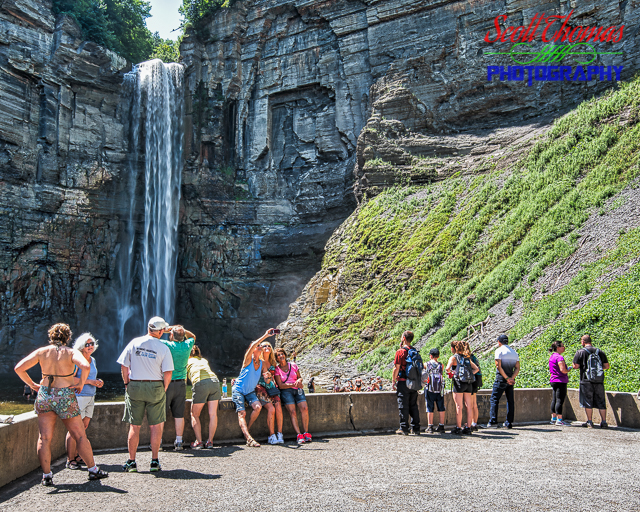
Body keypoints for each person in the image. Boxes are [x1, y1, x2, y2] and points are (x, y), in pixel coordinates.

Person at [14, 323, 108, 485]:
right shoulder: (71, 352)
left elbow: (19, 368)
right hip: (64, 395)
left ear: (51, 336)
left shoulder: (41, 352)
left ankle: (47, 476)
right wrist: (81, 384)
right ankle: (93, 470)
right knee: (79, 435)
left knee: (44, 438)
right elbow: (85, 366)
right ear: (67, 337)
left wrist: (32, 385)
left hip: (45, 394)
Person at [118, 316, 174, 472]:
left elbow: (124, 366)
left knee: (134, 426)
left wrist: (127, 383)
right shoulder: (164, 347)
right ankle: (154, 461)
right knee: (156, 426)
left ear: (149, 328)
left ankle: (131, 462)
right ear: (161, 331)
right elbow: (168, 372)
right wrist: (163, 388)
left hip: (135, 385)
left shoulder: (134, 342)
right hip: (155, 386)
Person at [66, 333, 104, 469]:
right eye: (87, 344)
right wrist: (90, 381)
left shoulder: (92, 360)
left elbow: (92, 378)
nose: (90, 346)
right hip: (78, 396)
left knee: (84, 426)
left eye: (92, 344)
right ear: (81, 346)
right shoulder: (77, 360)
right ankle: (70, 459)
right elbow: (70, 379)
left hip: (90, 397)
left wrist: (97, 382)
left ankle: (77, 454)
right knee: (73, 429)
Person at [231, 329, 276, 447]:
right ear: (252, 348)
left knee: (258, 407)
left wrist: (269, 377)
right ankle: (249, 439)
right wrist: (266, 335)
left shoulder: (262, 363)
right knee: (242, 413)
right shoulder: (248, 359)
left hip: (250, 391)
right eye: (258, 346)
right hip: (238, 390)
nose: (260, 346)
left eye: (260, 346)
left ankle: (247, 431)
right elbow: (255, 344)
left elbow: (267, 379)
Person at [160, 324, 196, 450]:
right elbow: (193, 336)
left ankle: (158, 442)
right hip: (181, 383)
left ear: (171, 335)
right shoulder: (187, 345)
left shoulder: (168, 345)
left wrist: (166, 329)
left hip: (167, 383)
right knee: (179, 414)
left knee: (160, 414)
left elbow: (155, 339)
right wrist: (182, 330)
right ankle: (179, 442)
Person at [275, 348, 311, 444]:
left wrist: (299, 380)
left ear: (285, 355)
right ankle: (299, 434)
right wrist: (293, 384)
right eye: (278, 355)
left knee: (304, 408)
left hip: (298, 390)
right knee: (293, 411)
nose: (281, 356)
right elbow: (280, 385)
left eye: (282, 354)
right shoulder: (277, 369)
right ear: (276, 358)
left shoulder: (293, 365)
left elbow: (300, 377)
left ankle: (306, 432)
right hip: (286, 391)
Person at [186, 345, 220, 449]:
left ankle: (199, 442)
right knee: (213, 414)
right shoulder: (204, 360)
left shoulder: (187, 361)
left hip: (201, 383)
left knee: (194, 414)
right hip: (215, 382)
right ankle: (210, 441)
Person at [572, 334, 610, 428]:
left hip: (586, 380)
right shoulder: (600, 351)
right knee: (601, 401)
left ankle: (589, 422)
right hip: (599, 380)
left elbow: (575, 366)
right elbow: (606, 366)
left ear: (583, 342)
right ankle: (604, 422)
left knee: (587, 401)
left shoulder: (580, 352)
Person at [485, 334, 520, 429]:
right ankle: (509, 422)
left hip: (501, 379)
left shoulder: (499, 351)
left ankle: (493, 421)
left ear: (499, 342)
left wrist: (506, 378)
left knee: (494, 399)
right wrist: (511, 378)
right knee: (510, 401)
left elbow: (498, 366)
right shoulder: (514, 352)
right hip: (510, 381)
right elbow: (517, 367)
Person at [446, 341, 479, 435]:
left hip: (459, 383)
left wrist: (451, 374)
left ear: (453, 348)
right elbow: (476, 369)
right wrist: (468, 375)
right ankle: (468, 427)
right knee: (469, 406)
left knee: (459, 406)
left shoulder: (453, 358)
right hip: (468, 384)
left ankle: (458, 427)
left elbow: (447, 369)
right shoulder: (466, 357)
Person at [391, 331, 421, 435]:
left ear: (403, 338)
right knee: (413, 405)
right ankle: (416, 428)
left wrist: (393, 381)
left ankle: (403, 428)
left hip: (403, 382)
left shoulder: (400, 352)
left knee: (403, 405)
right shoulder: (414, 351)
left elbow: (396, 368)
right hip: (413, 382)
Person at [255, 341, 284, 445]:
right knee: (271, 408)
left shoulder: (273, 363)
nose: (267, 347)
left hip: (271, 387)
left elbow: (274, 379)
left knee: (278, 406)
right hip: (261, 387)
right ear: (260, 349)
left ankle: (280, 433)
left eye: (268, 346)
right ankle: (272, 435)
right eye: (264, 346)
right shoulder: (258, 361)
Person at [549, 341, 572, 426]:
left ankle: (553, 418)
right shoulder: (559, 357)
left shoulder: (552, 356)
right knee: (560, 399)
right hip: (560, 380)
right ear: (558, 347)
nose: (564, 347)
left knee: (554, 399)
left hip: (553, 380)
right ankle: (559, 419)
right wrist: (568, 370)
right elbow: (562, 370)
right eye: (562, 346)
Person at [424, 348, 446, 434]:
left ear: (430, 356)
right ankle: (441, 425)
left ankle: (430, 426)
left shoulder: (426, 364)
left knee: (430, 407)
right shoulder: (441, 365)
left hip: (430, 389)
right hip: (439, 390)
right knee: (441, 407)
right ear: (438, 356)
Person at [469, 343, 483, 431]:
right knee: (474, 403)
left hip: (472, 381)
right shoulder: (474, 357)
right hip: (477, 380)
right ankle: (474, 423)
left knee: (470, 404)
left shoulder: (468, 359)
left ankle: (470, 423)